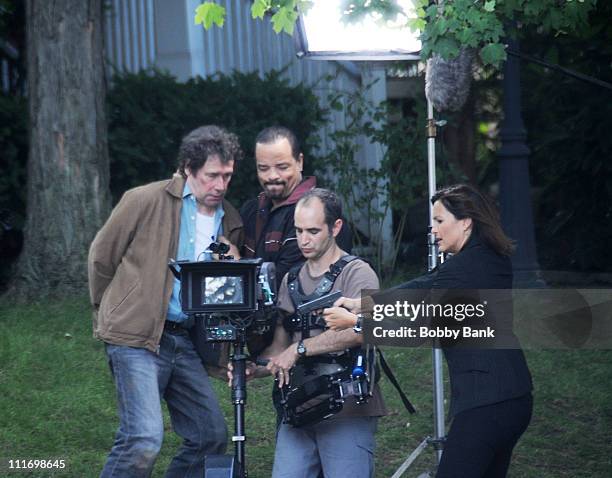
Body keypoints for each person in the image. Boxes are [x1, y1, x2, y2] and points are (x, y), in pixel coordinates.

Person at [325, 184, 533, 478]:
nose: (433, 230)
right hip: (515, 396)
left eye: (439, 221)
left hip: (487, 401)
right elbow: (424, 285)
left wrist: (355, 323)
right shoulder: (489, 258)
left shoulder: (462, 269)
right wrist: (364, 303)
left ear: (465, 222)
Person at [88, 125, 244, 478]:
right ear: (189, 168)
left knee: (211, 435)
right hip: (136, 336)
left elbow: (226, 290)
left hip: (183, 338)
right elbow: (101, 257)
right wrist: (111, 310)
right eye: (212, 176)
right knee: (142, 439)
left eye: (228, 176)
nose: (220, 185)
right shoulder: (145, 199)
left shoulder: (230, 218)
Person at [233, 188, 386, 478]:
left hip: (347, 406)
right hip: (299, 405)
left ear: (336, 227)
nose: (304, 239)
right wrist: (256, 368)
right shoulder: (291, 278)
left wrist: (300, 349)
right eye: (299, 230)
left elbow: (362, 330)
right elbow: (281, 345)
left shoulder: (357, 273)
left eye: (313, 231)